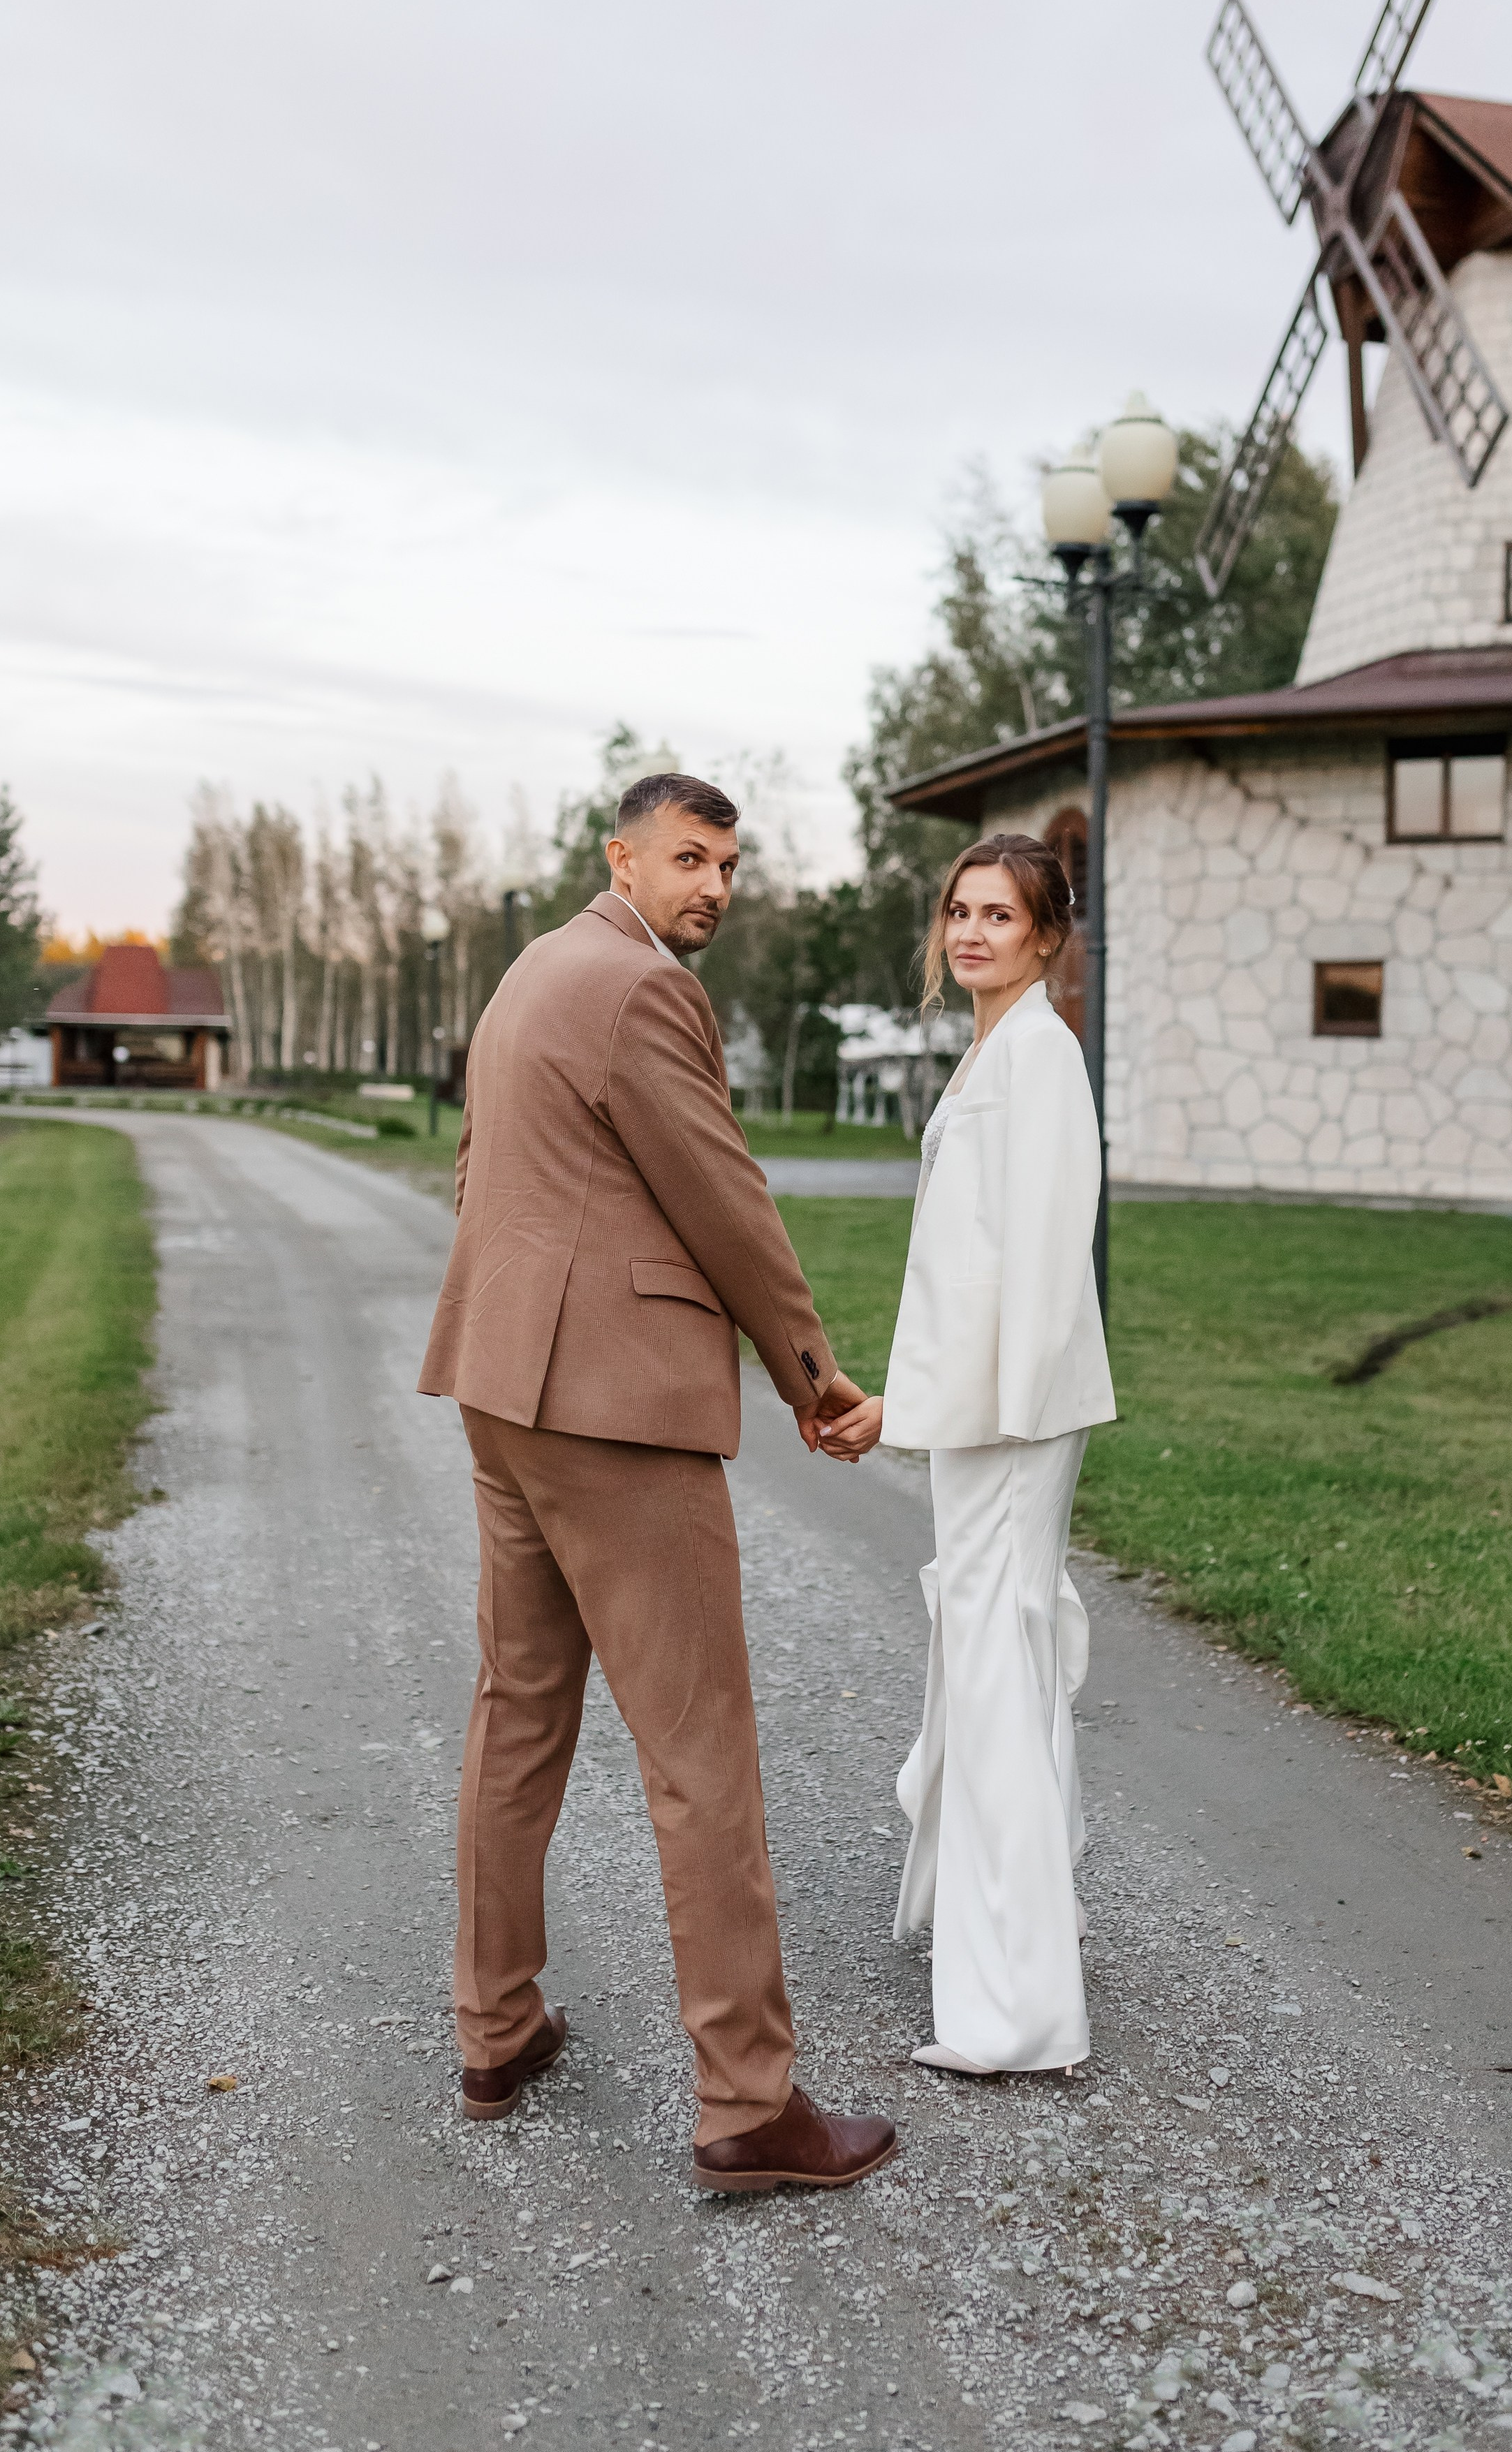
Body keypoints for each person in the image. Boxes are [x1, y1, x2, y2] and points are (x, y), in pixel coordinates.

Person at [418, 771, 896, 2193]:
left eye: (730, 868)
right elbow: (722, 1194)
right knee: (701, 1753)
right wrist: (813, 1374)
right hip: (615, 1415)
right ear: (618, 856)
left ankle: (495, 2031)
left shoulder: (531, 973)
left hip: (504, 1389)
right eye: (689, 859)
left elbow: (475, 1173)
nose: (713, 889)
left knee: (517, 1718)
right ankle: (748, 2105)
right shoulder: (636, 988)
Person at [816, 834, 1116, 2076]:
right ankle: (984, 1922)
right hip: (985, 1409)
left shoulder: (1041, 1056)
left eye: (1002, 915)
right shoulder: (996, 1048)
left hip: (1010, 1415)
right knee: (991, 1655)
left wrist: (918, 1409)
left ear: (1048, 937)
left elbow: (1040, 1280)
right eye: (960, 911)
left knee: (995, 1665)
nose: (974, 932)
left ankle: (1017, 2013)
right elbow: (968, 1259)